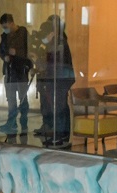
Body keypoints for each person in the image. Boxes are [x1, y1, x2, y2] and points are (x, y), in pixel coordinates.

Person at [39, 15, 74, 148]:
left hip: (60, 77)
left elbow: (54, 61)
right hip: (63, 77)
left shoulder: (58, 41)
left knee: (59, 107)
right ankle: (63, 135)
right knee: (62, 106)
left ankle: (58, 136)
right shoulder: (60, 39)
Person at [0, 13, 31, 135]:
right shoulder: (4, 36)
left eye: (6, 26)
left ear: (12, 23)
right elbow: (0, 50)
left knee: (23, 99)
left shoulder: (23, 33)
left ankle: (24, 123)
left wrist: (16, 53)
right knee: (11, 99)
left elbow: (29, 50)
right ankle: (11, 123)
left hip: (20, 71)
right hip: (9, 71)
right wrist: (5, 56)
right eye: (3, 27)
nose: (5, 29)